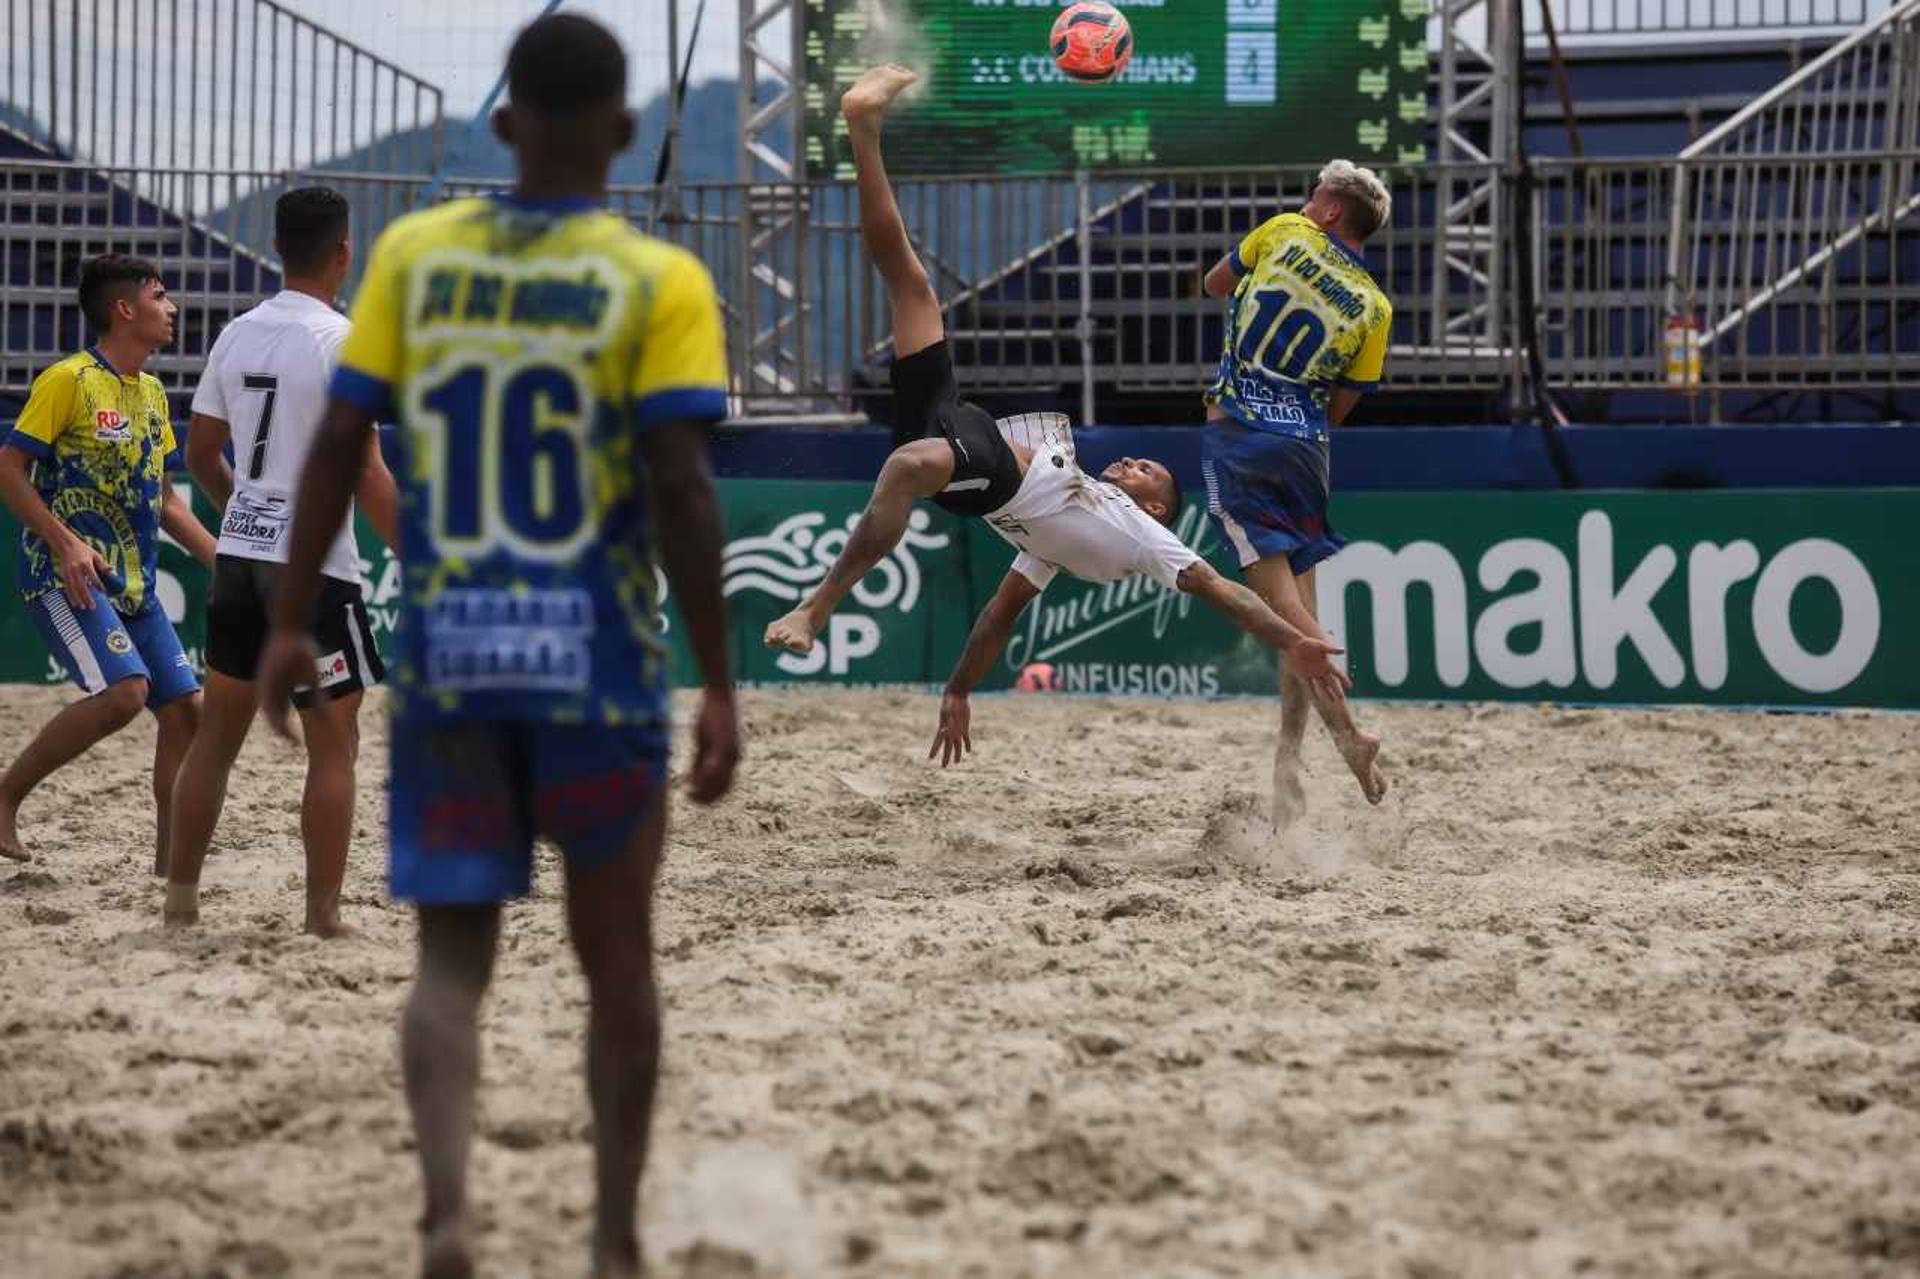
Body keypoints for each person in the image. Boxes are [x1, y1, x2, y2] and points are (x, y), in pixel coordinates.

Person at [254, 14, 738, 1277]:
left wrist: (295, 615)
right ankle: (616, 1241)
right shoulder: (659, 282)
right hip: (599, 660)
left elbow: (334, 448)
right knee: (618, 956)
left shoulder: (413, 254)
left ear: (507, 121)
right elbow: (683, 493)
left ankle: (448, 1218)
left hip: (454, 652)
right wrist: (725, 683)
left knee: (448, 961)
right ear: (625, 134)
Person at [763, 66, 1348, 740]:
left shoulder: (1142, 535)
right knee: (908, 281)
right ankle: (864, 131)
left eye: (1147, 471)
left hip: (990, 470)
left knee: (902, 466)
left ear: (1156, 505)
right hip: (965, 433)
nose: (1132, 461)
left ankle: (815, 608)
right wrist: (957, 692)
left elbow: (1227, 592)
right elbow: (998, 618)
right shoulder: (1058, 541)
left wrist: (1290, 641)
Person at [163, 187, 400, 938]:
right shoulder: (342, 341)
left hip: (241, 558)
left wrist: (246, 509)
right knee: (335, 745)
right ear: (344, 252)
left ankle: (182, 900)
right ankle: (322, 915)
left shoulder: (237, 334)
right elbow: (365, 470)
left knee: (216, 739)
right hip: (316, 571)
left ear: (275, 249)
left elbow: (200, 453)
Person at [0, 254, 216, 868]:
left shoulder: (150, 392)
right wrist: (65, 542)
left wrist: (221, 559)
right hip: (64, 578)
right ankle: (5, 797)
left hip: (134, 585)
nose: (172, 308)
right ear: (125, 309)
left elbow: (167, 499)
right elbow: (8, 468)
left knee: (186, 710)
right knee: (125, 694)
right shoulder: (67, 380)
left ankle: (170, 863)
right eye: (160, 295)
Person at [1199, 160, 1396, 824]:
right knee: (1301, 608)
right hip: (1307, 449)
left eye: (1316, 195)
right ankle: (1287, 759)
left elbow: (1213, 283)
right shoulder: (1375, 306)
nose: (1306, 202)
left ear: (1333, 211)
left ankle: (1350, 735)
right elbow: (1339, 408)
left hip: (1241, 437)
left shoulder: (1285, 230)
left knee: (1286, 617)